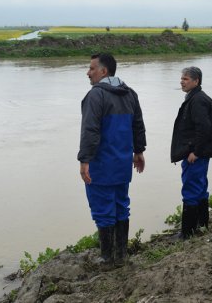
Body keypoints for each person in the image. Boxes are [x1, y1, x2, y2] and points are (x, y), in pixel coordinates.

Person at [78, 53, 146, 267]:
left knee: (102, 209)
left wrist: (84, 160)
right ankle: (121, 256)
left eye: (91, 68)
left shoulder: (96, 96)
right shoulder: (130, 94)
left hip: (101, 164)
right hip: (122, 164)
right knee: (120, 206)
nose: (87, 72)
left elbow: (90, 130)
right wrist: (138, 151)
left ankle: (107, 258)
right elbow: (138, 125)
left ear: (103, 71)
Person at [171, 67, 212, 239]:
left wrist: (196, 152)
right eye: (181, 78)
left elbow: (204, 128)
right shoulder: (196, 98)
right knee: (199, 188)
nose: (181, 81)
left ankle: (187, 232)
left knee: (191, 188)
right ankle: (202, 225)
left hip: (195, 154)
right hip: (197, 152)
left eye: (185, 79)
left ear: (196, 81)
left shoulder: (198, 100)